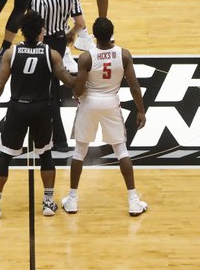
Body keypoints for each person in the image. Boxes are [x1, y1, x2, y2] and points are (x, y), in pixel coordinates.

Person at [0, 9, 76, 219]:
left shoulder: (11, 53)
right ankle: (48, 203)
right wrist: (85, 79)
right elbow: (69, 82)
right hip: (42, 108)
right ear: (42, 31)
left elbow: (0, 84)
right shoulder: (51, 54)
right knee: (46, 155)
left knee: (4, 156)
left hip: (18, 108)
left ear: (22, 32)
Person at [60, 17, 148, 217]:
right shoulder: (123, 54)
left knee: (80, 151)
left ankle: (72, 200)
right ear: (112, 33)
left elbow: (80, 88)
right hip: (111, 102)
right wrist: (141, 111)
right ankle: (133, 201)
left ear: (94, 36)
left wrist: (73, 87)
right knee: (121, 150)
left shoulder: (86, 58)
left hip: (90, 102)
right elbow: (134, 86)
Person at [31, 0, 85, 152]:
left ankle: (58, 140)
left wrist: (35, 48)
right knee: (51, 88)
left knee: (47, 91)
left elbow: (38, 29)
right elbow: (80, 23)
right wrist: (70, 34)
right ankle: (51, 136)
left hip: (45, 45)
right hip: (60, 42)